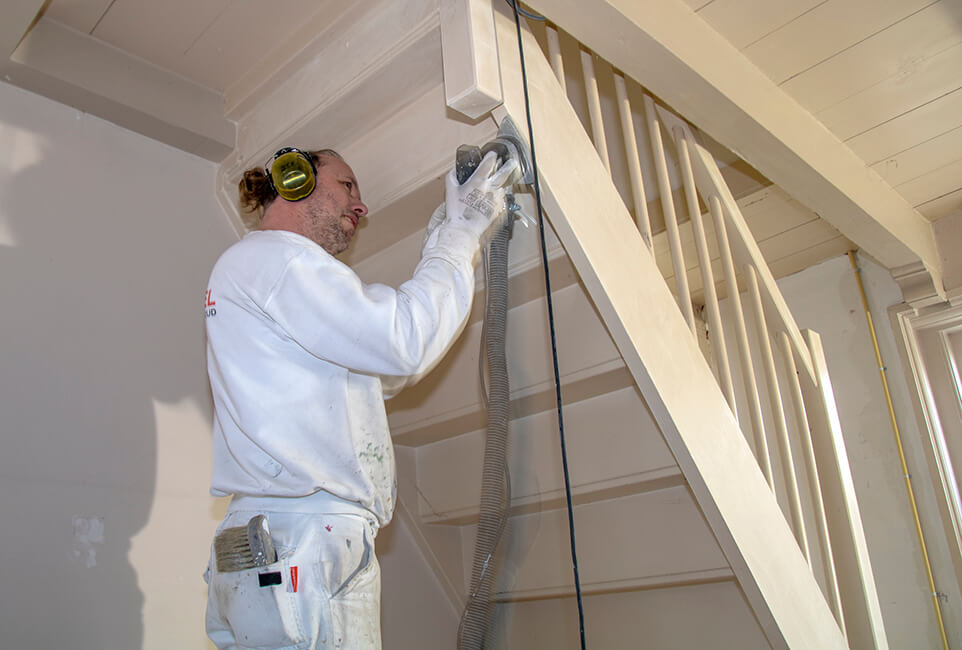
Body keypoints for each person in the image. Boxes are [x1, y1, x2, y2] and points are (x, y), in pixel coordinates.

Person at [203, 146, 518, 649]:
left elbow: (376, 371)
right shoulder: (280, 259)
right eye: (347, 185)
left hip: (264, 546)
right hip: (306, 539)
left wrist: (440, 242)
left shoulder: (255, 272)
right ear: (295, 179)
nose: (361, 205)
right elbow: (402, 343)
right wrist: (459, 237)